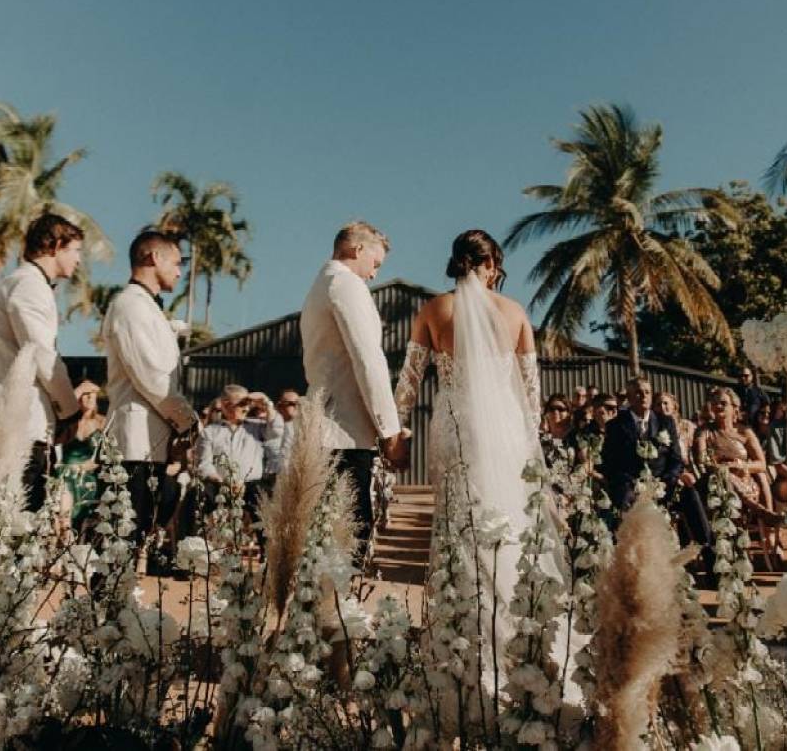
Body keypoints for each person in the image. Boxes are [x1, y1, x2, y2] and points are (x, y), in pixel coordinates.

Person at [393, 229, 571, 679]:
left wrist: (394, 430)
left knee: (460, 528)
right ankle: (524, 631)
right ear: (490, 263)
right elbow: (532, 396)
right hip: (509, 434)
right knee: (512, 522)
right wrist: (531, 447)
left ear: (458, 263)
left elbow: (409, 381)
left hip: (456, 429)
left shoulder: (435, 310)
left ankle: (463, 633)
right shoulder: (514, 313)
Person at [300, 221, 402, 565]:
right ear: (357, 250)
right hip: (344, 431)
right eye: (375, 264)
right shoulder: (345, 284)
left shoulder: (320, 283)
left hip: (326, 425)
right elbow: (368, 358)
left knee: (327, 538)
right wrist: (390, 430)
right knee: (349, 539)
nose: (374, 275)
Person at [101, 231, 199, 554]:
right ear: (153, 258)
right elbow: (153, 377)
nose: (180, 271)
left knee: (134, 540)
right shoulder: (130, 304)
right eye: (176, 261)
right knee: (118, 547)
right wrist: (187, 421)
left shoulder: (148, 308)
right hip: (131, 445)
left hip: (150, 445)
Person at [0, 213, 82, 512]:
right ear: (56, 245)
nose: (78, 260)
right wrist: (70, 410)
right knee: (18, 523)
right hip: (24, 423)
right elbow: (42, 356)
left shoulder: (13, 282)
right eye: (75, 250)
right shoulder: (29, 285)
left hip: (15, 419)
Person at [600, 378, 712, 556]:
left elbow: (675, 459)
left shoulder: (665, 422)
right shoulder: (615, 425)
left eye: (647, 392)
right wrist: (631, 483)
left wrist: (668, 480)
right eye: (637, 392)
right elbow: (609, 463)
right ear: (629, 397)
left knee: (690, 494)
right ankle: (627, 561)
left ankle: (708, 554)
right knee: (622, 501)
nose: (643, 396)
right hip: (630, 486)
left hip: (663, 484)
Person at [695, 387, 780, 521]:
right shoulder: (704, 431)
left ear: (734, 408)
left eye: (723, 403)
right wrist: (722, 468)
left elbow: (762, 464)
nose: (718, 406)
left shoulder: (745, 432)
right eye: (715, 403)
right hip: (715, 480)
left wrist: (742, 466)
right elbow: (702, 459)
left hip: (745, 480)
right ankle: (755, 508)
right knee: (725, 477)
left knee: (757, 476)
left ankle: (760, 511)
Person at [196, 385, 265, 537]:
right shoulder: (210, 432)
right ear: (226, 405)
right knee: (197, 497)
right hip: (219, 485)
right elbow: (204, 465)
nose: (247, 408)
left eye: (248, 404)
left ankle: (268, 553)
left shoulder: (258, 427)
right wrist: (223, 481)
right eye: (242, 403)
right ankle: (196, 546)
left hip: (250, 486)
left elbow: (277, 431)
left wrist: (266, 404)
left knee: (263, 502)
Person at [57, 379, 107, 531]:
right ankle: (65, 531)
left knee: (86, 486)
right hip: (66, 472)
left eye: (92, 394)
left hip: (90, 473)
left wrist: (88, 466)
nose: (89, 398)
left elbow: (105, 455)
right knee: (64, 486)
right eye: (85, 394)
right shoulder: (69, 423)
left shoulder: (102, 422)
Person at [267, 388, 301, 494]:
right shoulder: (268, 425)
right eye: (290, 403)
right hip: (270, 480)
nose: (295, 406)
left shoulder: (304, 430)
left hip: (294, 480)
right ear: (279, 405)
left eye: (298, 403)